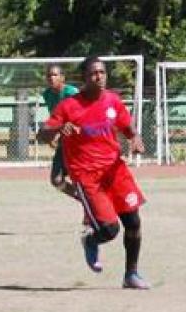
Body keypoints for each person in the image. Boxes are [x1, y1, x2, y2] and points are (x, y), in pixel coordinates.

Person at [39, 56, 149, 289]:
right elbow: (43, 134)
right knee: (110, 229)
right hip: (87, 176)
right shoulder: (69, 106)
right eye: (92, 74)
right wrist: (59, 128)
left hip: (115, 170)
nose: (98, 77)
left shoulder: (113, 101)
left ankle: (131, 275)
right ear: (84, 78)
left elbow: (126, 126)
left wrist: (135, 138)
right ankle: (90, 239)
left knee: (133, 221)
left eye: (101, 72)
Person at [41, 64, 80, 198]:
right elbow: (55, 117)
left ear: (62, 78)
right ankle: (84, 200)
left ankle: (91, 206)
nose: (51, 78)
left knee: (81, 179)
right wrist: (55, 134)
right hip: (63, 141)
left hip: (78, 142)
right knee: (56, 180)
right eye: (49, 75)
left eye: (55, 75)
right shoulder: (47, 94)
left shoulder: (72, 93)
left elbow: (81, 115)